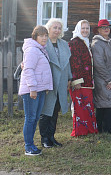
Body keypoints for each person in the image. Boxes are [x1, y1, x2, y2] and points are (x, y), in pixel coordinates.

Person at [19, 25, 53, 156]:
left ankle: (31, 144)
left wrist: (44, 87)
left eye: (46, 35)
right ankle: (28, 147)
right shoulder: (32, 50)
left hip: (40, 89)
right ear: (35, 37)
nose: (44, 38)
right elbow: (28, 70)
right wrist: (33, 89)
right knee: (30, 118)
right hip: (31, 90)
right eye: (41, 35)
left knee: (35, 118)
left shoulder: (40, 50)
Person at [39, 18, 72, 148]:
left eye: (59, 28)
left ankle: (52, 137)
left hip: (61, 82)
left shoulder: (63, 44)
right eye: (55, 27)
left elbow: (67, 63)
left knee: (55, 110)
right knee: (46, 111)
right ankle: (44, 138)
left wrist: (69, 78)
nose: (57, 30)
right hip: (48, 82)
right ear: (48, 28)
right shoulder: (43, 43)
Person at [69, 20, 98, 136]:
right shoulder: (74, 42)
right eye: (83, 28)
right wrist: (76, 81)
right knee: (80, 107)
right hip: (79, 82)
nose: (85, 30)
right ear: (78, 29)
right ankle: (80, 131)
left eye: (87, 28)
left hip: (88, 81)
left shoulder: (85, 42)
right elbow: (73, 63)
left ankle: (89, 129)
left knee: (88, 106)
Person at [91, 20, 111, 134]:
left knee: (106, 104)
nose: (106, 29)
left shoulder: (109, 43)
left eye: (107, 27)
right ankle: (105, 130)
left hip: (110, 79)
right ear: (98, 30)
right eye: (103, 27)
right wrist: (109, 79)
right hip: (103, 79)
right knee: (108, 104)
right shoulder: (97, 44)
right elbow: (99, 63)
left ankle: (105, 130)